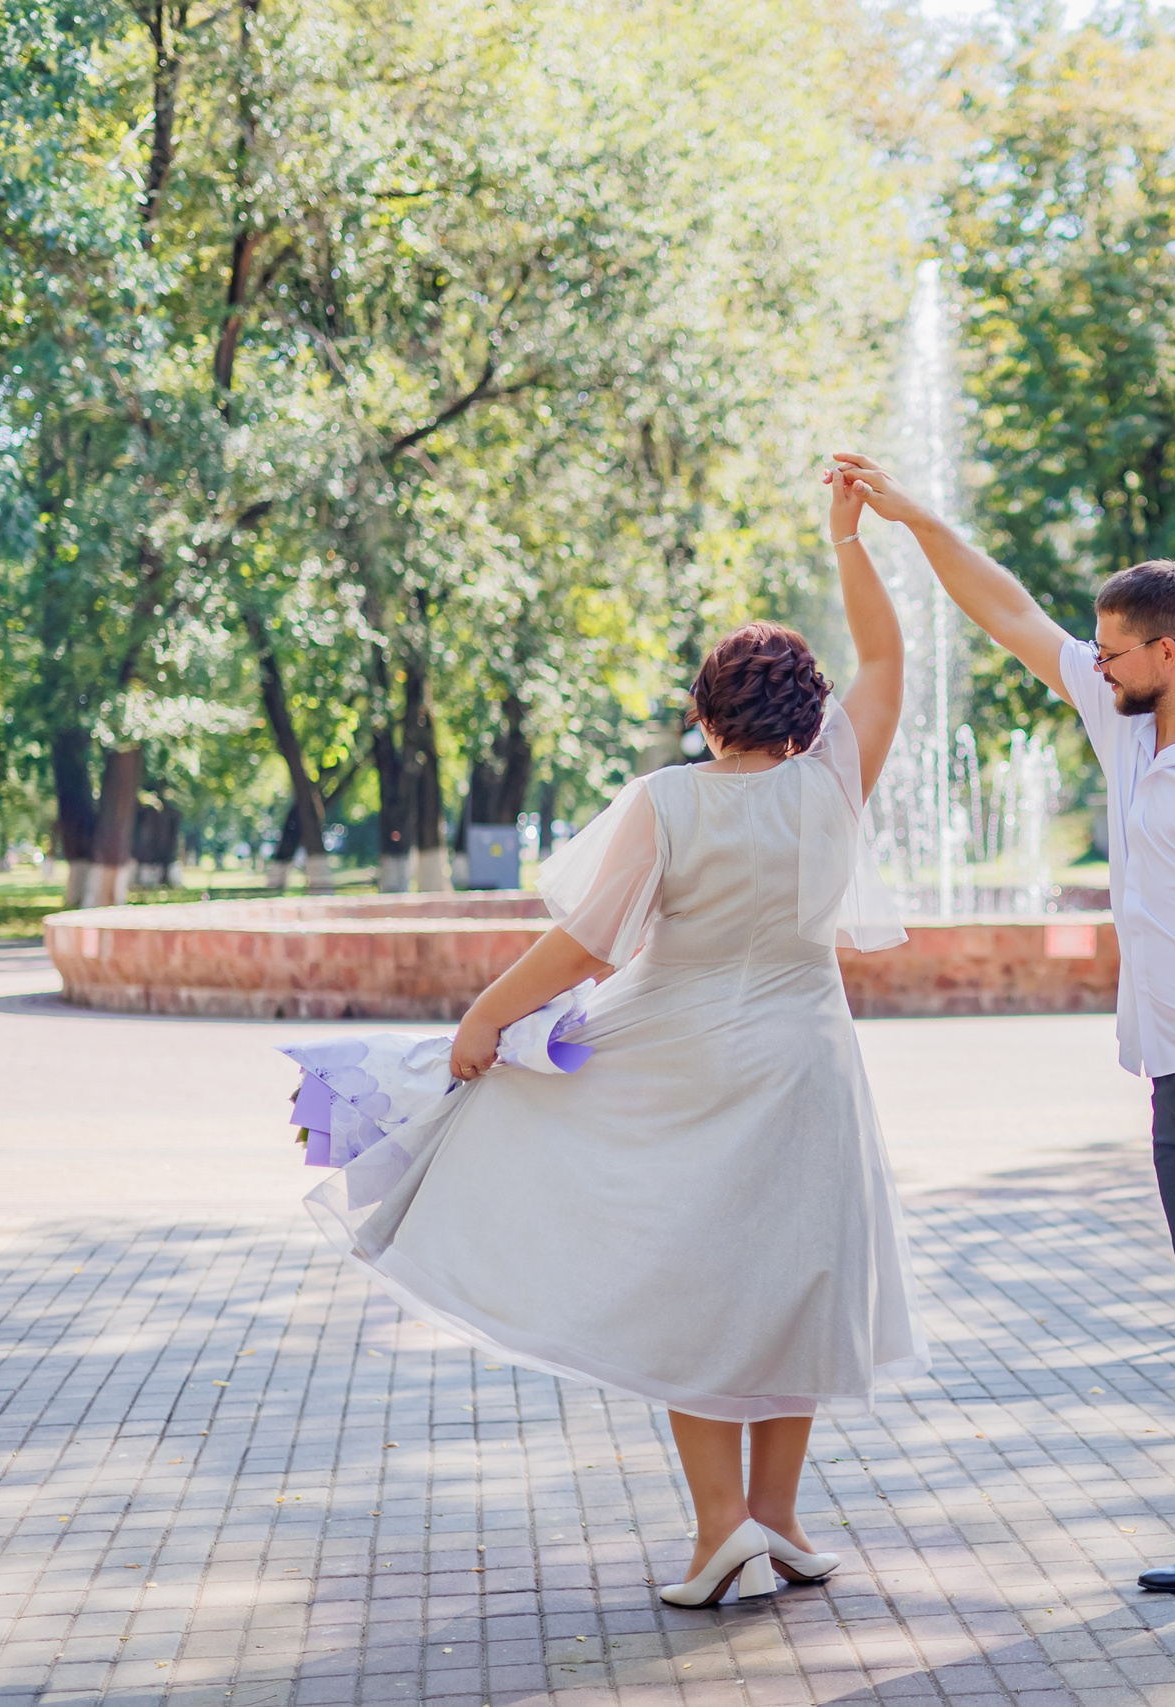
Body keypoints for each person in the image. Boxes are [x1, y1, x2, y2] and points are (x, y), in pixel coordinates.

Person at [306, 465, 925, 1609]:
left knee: (697, 1286)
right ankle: (780, 1520)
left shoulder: (667, 799)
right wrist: (848, 539)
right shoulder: (836, 780)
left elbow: (589, 946)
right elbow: (888, 663)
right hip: (809, 1058)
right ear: (809, 713)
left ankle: (721, 1533)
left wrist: (486, 1017)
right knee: (794, 1279)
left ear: (704, 709)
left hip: (683, 1053)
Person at [828, 451, 1175, 1623]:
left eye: (1115, 650)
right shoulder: (1124, 722)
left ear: (1171, 651)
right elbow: (1009, 611)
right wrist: (914, 518)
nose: (1093, 663)